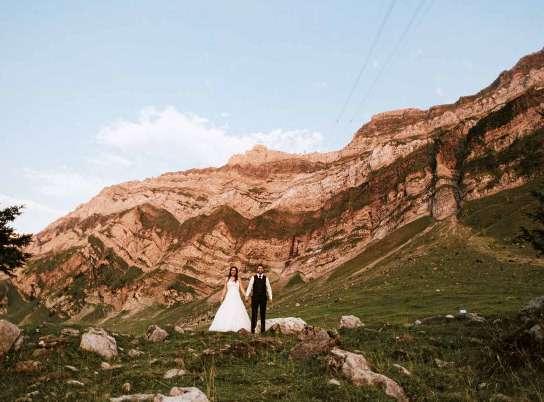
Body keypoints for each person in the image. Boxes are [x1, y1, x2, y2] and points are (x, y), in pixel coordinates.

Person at [208, 266, 251, 332]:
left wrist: (246, 295)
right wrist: (222, 296)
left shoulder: (238, 279)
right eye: (232, 270)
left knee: (237, 310)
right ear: (230, 271)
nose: (233, 271)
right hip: (229, 297)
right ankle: (225, 325)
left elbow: (241, 288)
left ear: (236, 272)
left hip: (236, 297)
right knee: (227, 309)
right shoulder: (227, 279)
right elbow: (225, 288)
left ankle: (239, 326)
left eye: (234, 270)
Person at [245, 264, 273, 334]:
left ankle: (263, 331)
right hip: (255, 298)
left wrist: (270, 297)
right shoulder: (253, 278)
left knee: (263, 313)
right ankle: (253, 330)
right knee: (254, 313)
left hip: (263, 298)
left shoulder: (266, 278)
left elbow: (269, 288)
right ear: (257, 270)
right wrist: (247, 295)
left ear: (263, 270)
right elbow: (249, 287)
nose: (260, 269)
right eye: (259, 268)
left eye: (261, 268)